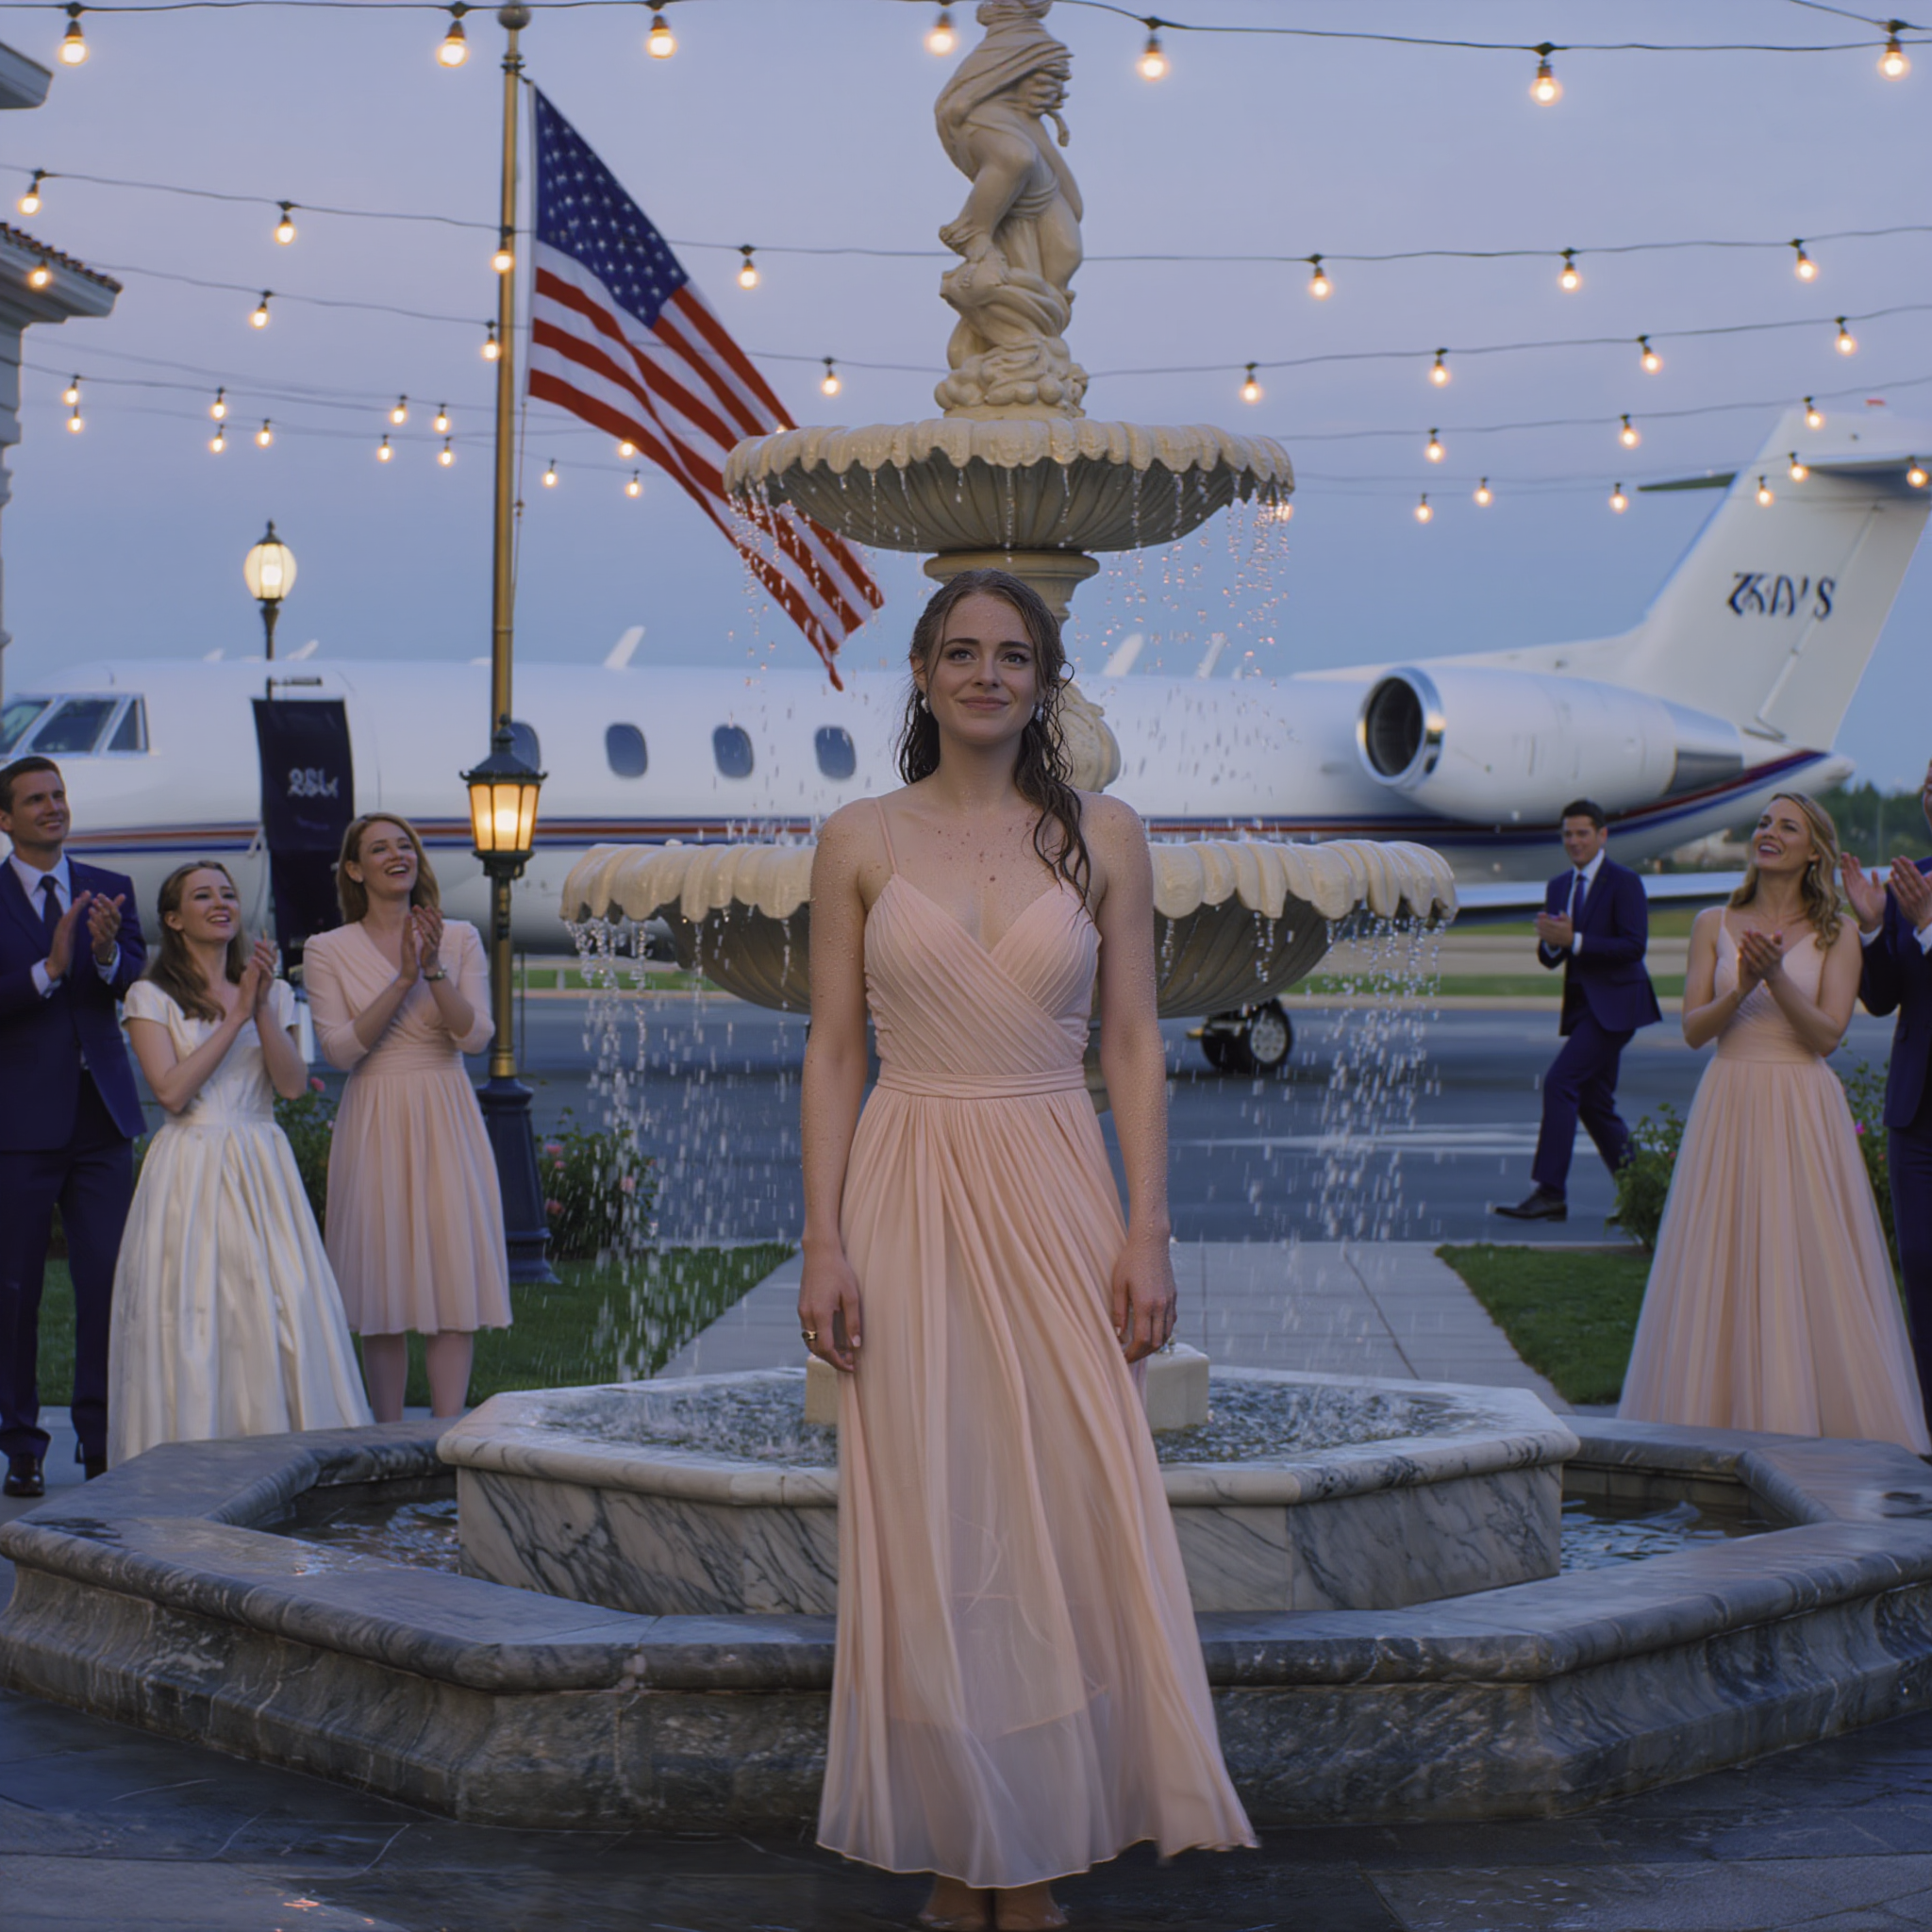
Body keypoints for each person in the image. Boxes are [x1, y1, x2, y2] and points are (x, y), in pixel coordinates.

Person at [800, 569, 1253, 1932]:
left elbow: (1131, 1045)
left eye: (1012, 656)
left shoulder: (1105, 835)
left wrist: (1147, 1226)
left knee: (1063, 1503)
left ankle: (1040, 1852)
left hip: (1059, 1181)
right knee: (933, 1513)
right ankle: (964, 1859)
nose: (986, 675)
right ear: (924, 675)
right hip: (909, 1178)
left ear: (1044, 681)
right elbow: (831, 1052)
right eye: (960, 653)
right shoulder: (858, 838)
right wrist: (822, 1242)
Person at [1619, 793, 1928, 1451]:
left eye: (1786, 826)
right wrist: (1742, 986)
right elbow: (1696, 1029)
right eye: (1763, 822)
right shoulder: (1714, 921)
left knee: (1802, 1254)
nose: (1768, 832)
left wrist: (1777, 980)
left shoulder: (1838, 930)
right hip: (1729, 1096)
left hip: (1802, 1104)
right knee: (1721, 1256)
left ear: (1813, 849)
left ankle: (1805, 1419)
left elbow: (1827, 1037)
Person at [108, 864, 372, 1463]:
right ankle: (193, 1457)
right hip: (191, 1165)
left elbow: (293, 1084)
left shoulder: (273, 994)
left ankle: (287, 1450)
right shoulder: (148, 996)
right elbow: (172, 1093)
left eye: (227, 893)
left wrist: (258, 1009)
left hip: (261, 1161)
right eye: (203, 895)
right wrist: (233, 1017)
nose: (221, 903)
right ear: (174, 919)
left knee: (283, 1299)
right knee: (196, 1306)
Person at [302, 814, 507, 1423]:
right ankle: (384, 1436)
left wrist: (435, 967)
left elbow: (474, 1039)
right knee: (378, 1274)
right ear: (355, 871)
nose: (398, 855)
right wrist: (402, 980)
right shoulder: (326, 949)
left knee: (450, 1275)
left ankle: (449, 1434)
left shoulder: (462, 937)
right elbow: (340, 1050)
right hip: (376, 1112)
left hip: (446, 1109)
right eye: (379, 848)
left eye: (406, 846)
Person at [0, 756, 146, 1498]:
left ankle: (99, 1437)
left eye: (58, 795)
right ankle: (22, 1444)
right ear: (6, 819)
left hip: (101, 1121)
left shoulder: (109, 890)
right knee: (15, 1290)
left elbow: (136, 978)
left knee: (106, 1286)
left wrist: (103, 952)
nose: (53, 807)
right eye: (35, 799)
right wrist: (49, 969)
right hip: (18, 1125)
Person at [1495, 799, 1661, 1223]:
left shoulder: (1624, 883)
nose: (1574, 841)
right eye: (1568, 834)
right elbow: (1550, 956)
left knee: (1560, 1083)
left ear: (1602, 836)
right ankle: (1647, 1193)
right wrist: (1553, 942)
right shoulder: (1557, 886)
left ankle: (1550, 1191)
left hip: (1620, 1006)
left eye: (1582, 833)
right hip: (1586, 1010)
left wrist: (1576, 941)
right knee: (1593, 1102)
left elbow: (1633, 946)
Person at [1843, 754, 1932, 1433]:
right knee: (1921, 1266)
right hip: (1916, 1112)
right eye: (1931, 786)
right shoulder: (1913, 885)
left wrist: (1928, 929)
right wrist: (1875, 927)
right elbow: (1881, 999)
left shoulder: (1922, 902)